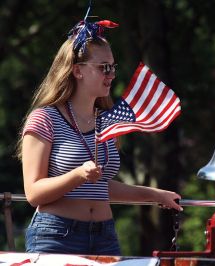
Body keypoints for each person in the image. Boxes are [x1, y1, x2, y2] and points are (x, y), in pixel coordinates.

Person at [17, 11, 181, 255]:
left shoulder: (107, 121)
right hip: (57, 236)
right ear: (78, 71)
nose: (112, 75)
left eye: (113, 67)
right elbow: (33, 193)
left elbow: (100, 185)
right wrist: (78, 175)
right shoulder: (44, 118)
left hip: (105, 235)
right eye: (104, 67)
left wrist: (155, 195)